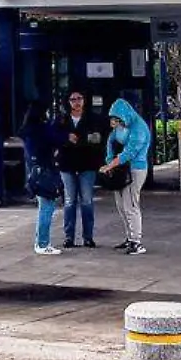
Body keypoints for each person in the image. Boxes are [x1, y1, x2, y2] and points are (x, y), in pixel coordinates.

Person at [100, 98, 153, 255]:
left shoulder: (139, 128)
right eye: (113, 119)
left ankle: (137, 241)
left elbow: (130, 152)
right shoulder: (121, 127)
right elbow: (111, 140)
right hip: (120, 169)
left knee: (130, 205)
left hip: (135, 169)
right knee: (121, 206)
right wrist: (110, 160)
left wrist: (110, 165)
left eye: (117, 119)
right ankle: (130, 237)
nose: (115, 123)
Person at [55, 90, 106, 249]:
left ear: (84, 100)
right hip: (67, 165)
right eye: (73, 99)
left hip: (87, 164)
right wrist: (66, 138)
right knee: (69, 201)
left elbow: (97, 139)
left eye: (79, 98)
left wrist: (81, 139)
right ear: (68, 102)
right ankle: (69, 237)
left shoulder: (93, 118)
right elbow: (53, 137)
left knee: (87, 201)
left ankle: (88, 237)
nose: (76, 102)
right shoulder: (61, 119)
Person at [20, 103, 65, 255]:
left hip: (34, 171)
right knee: (47, 208)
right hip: (45, 170)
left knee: (43, 207)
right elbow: (57, 139)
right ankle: (43, 243)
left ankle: (41, 242)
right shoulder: (42, 130)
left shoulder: (27, 131)